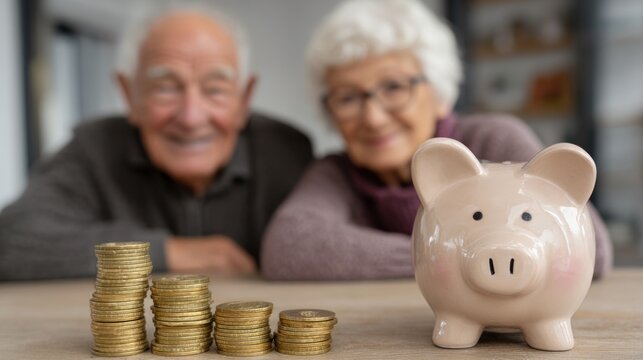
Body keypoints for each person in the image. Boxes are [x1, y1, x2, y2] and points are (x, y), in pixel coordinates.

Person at [261, 0, 612, 280]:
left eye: (394, 87)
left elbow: (591, 249)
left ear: (440, 91)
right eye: (348, 98)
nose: (373, 117)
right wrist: (452, 259)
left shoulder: (491, 141)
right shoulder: (336, 172)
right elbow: (287, 248)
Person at [0, 5, 312, 280]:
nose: (191, 117)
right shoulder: (92, 150)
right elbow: (11, 241)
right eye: (165, 87)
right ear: (129, 95)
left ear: (244, 99)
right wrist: (170, 252)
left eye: (215, 89)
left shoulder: (287, 154)